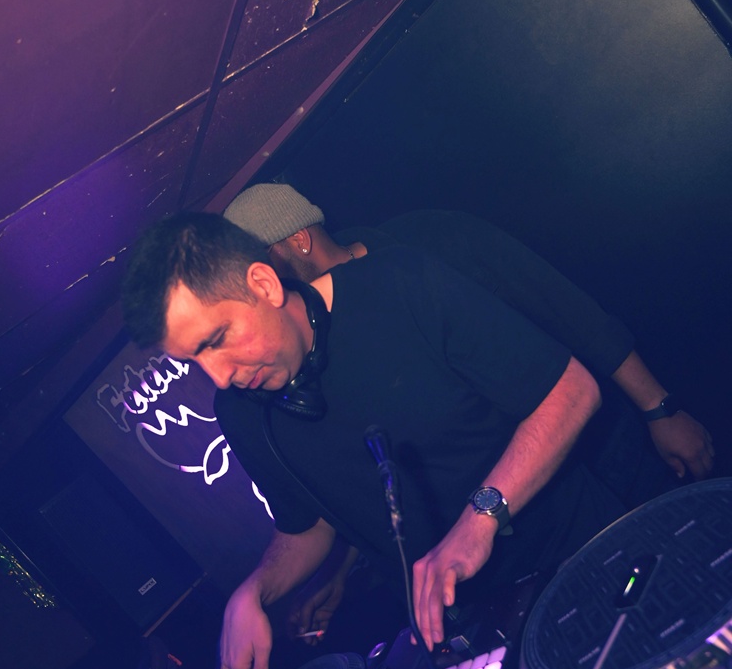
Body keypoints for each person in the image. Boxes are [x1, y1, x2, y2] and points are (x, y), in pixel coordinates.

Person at [122, 211, 621, 669]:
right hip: (466, 636)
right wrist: (254, 591)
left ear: (264, 284)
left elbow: (571, 391)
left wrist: (480, 519)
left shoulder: (400, 284)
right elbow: (308, 527)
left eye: (216, 340)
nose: (219, 377)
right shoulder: (241, 414)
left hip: (585, 561)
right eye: (194, 361)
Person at [223, 184, 714, 483]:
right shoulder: (319, 344)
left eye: (259, 268)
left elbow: (565, 308)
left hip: (604, 451)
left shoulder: (432, 240)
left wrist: (659, 408)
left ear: (298, 239)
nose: (259, 290)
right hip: (520, 524)